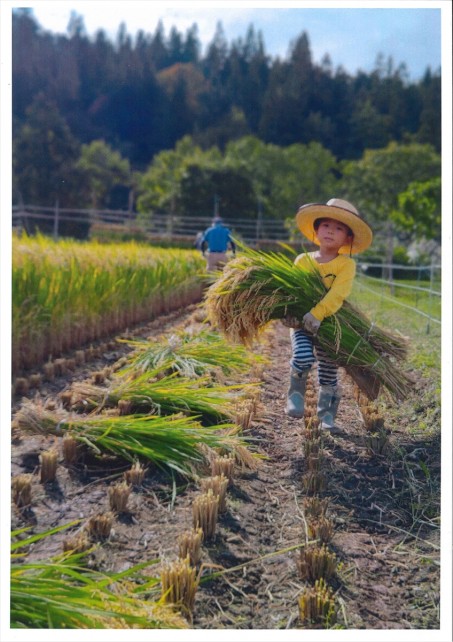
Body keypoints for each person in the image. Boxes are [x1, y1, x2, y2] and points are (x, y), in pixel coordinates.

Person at [284, 198, 373, 431]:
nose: (331, 231)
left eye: (339, 228)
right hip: (302, 323)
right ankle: (295, 395)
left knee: (328, 368)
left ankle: (327, 416)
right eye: (325, 225)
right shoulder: (302, 260)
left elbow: (338, 294)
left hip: (330, 323)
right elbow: (292, 291)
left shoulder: (346, 265)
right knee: (302, 356)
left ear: (348, 238)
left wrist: (317, 314)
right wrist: (288, 313)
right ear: (316, 230)